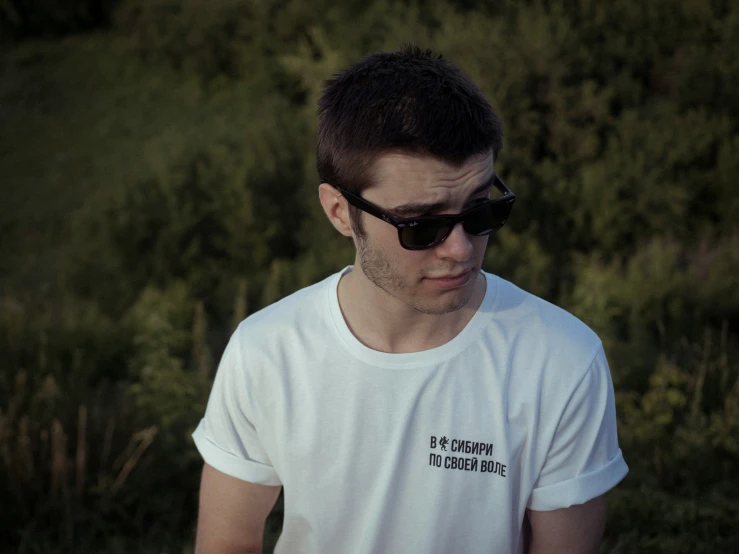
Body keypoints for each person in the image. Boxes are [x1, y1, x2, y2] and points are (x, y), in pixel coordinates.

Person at [191, 45, 628, 554]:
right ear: (338, 212)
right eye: (421, 225)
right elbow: (226, 544)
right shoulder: (267, 352)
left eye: (482, 210)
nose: (461, 248)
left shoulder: (562, 361)